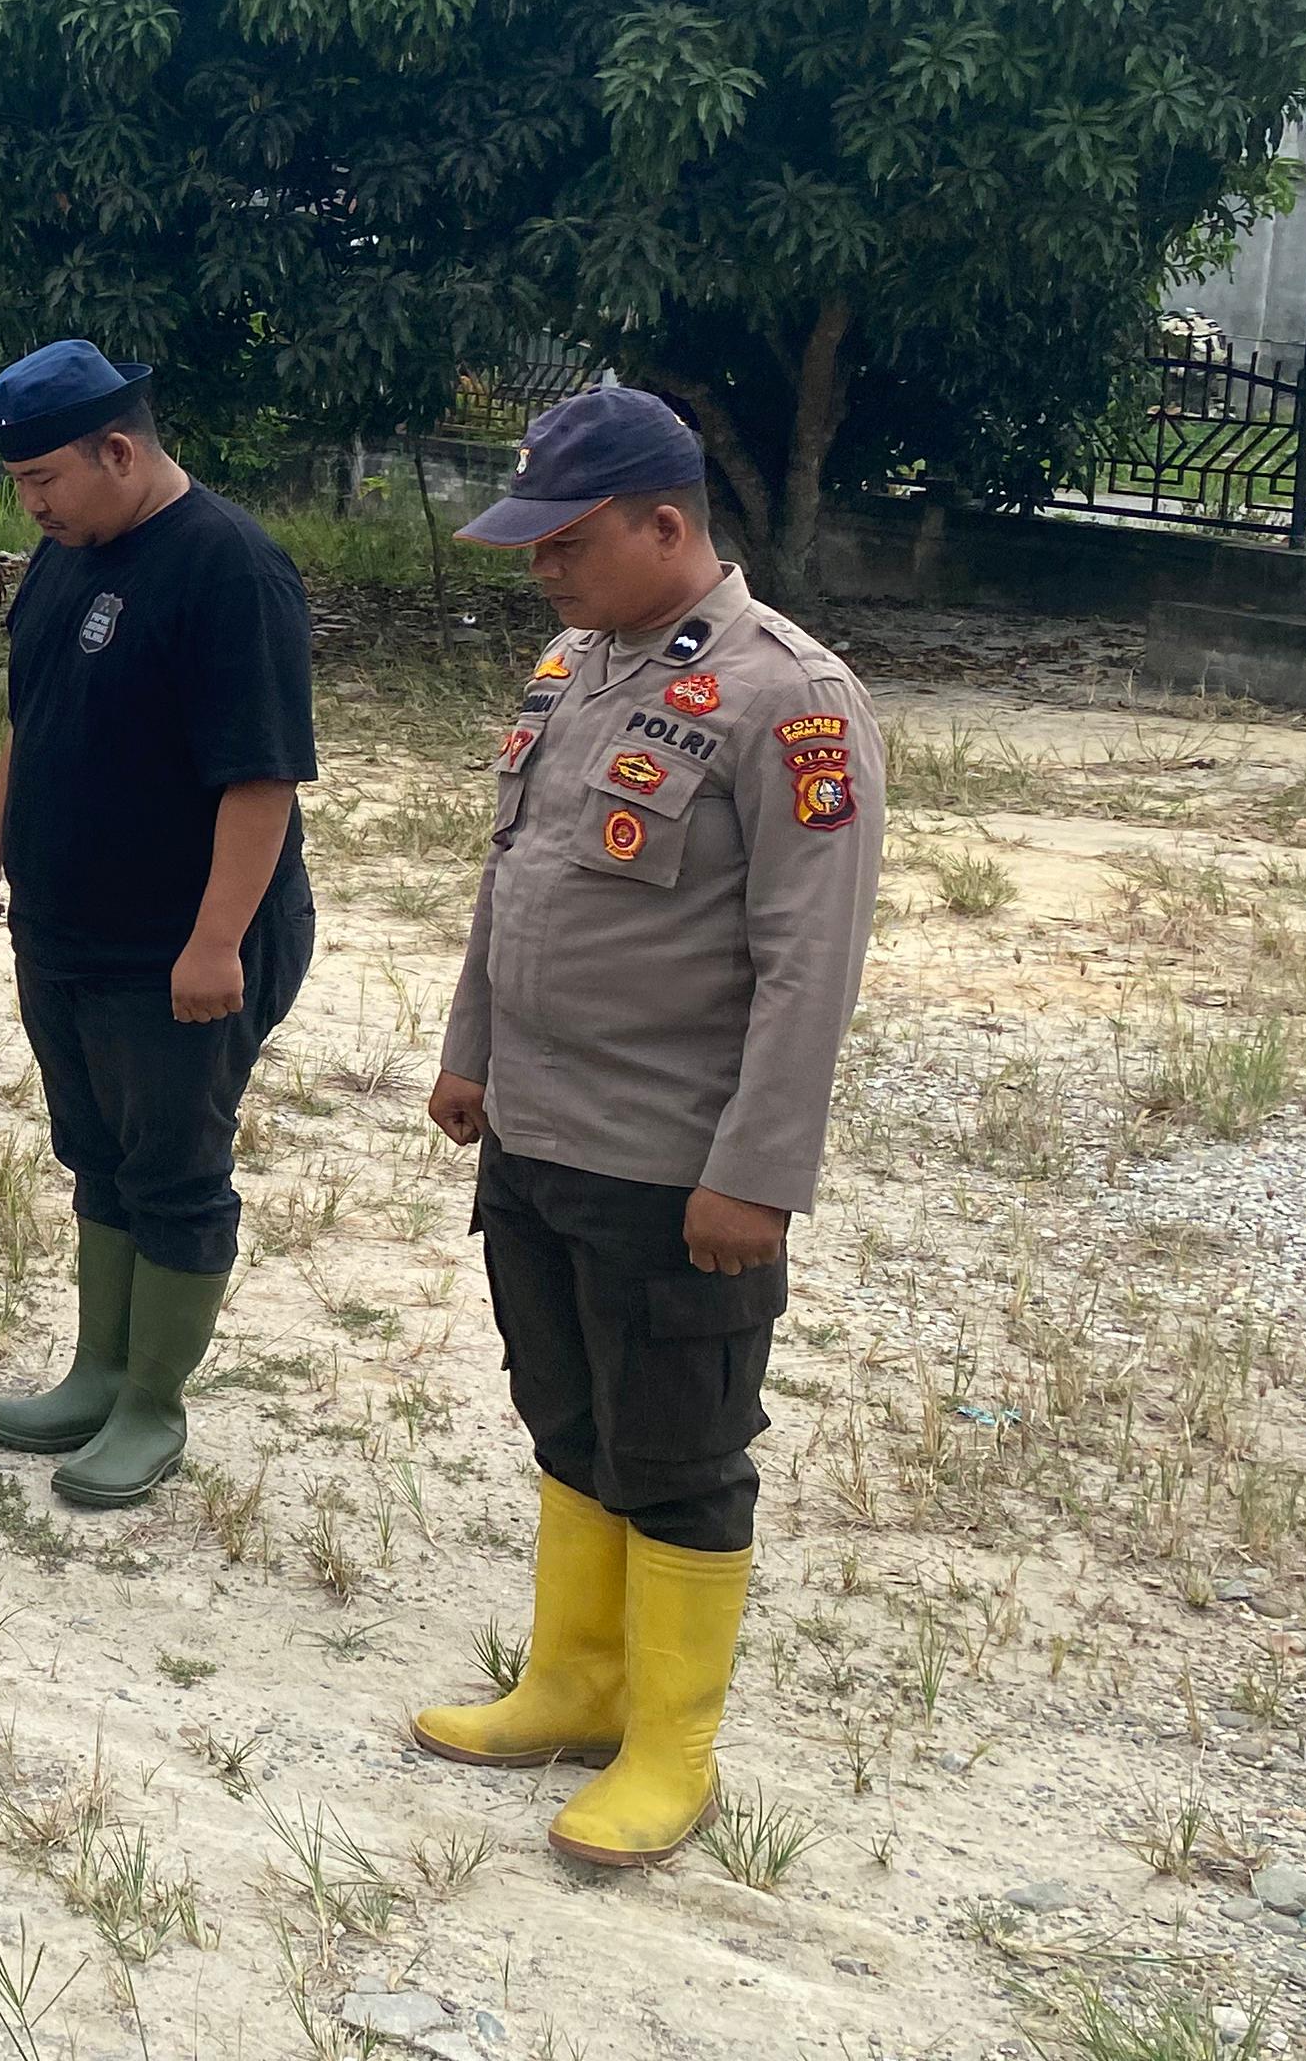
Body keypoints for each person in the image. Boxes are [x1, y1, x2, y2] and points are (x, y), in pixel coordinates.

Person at [407, 385, 883, 1869]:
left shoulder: (788, 697)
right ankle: (577, 1680)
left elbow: (814, 960)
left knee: (678, 1444)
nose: (540, 570)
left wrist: (759, 1175)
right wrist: (470, 1048)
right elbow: (518, 877)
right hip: (541, 1133)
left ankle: (672, 1744)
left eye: (568, 543)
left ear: (666, 524)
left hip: (675, 1161)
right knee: (566, 1412)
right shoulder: (575, 664)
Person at [0, 340, 317, 1509]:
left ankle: (154, 1402)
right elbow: (34, 716)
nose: (33, 505)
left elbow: (261, 780)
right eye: (19, 487)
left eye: (44, 479)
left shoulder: (228, 569)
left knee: (174, 1168)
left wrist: (216, 942)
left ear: (120, 449)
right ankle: (96, 1369)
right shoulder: (67, 556)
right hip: (65, 931)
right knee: (95, 1153)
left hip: (179, 948)